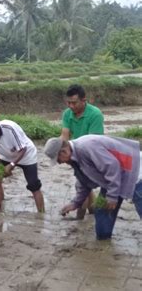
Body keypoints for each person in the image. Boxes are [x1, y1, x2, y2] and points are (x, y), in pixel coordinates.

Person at [44, 135, 142, 240]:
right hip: (113, 180)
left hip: (134, 172)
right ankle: (103, 241)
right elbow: (84, 180)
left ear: (64, 152)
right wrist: (76, 203)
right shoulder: (74, 157)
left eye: (58, 159)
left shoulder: (86, 147)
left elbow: (112, 166)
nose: (60, 163)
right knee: (102, 210)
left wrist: (112, 196)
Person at [0, 111, 45, 213]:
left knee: (34, 185)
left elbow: (23, 149)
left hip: (27, 155)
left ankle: (41, 214)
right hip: (7, 155)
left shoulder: (9, 127)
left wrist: (11, 166)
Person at [61, 84, 104, 219]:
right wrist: (63, 154)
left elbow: (93, 143)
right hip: (75, 153)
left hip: (92, 154)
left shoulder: (95, 114)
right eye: (68, 102)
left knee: (82, 184)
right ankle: (92, 213)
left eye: (74, 103)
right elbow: (65, 136)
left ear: (84, 100)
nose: (71, 106)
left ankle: (79, 218)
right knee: (85, 184)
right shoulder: (67, 114)